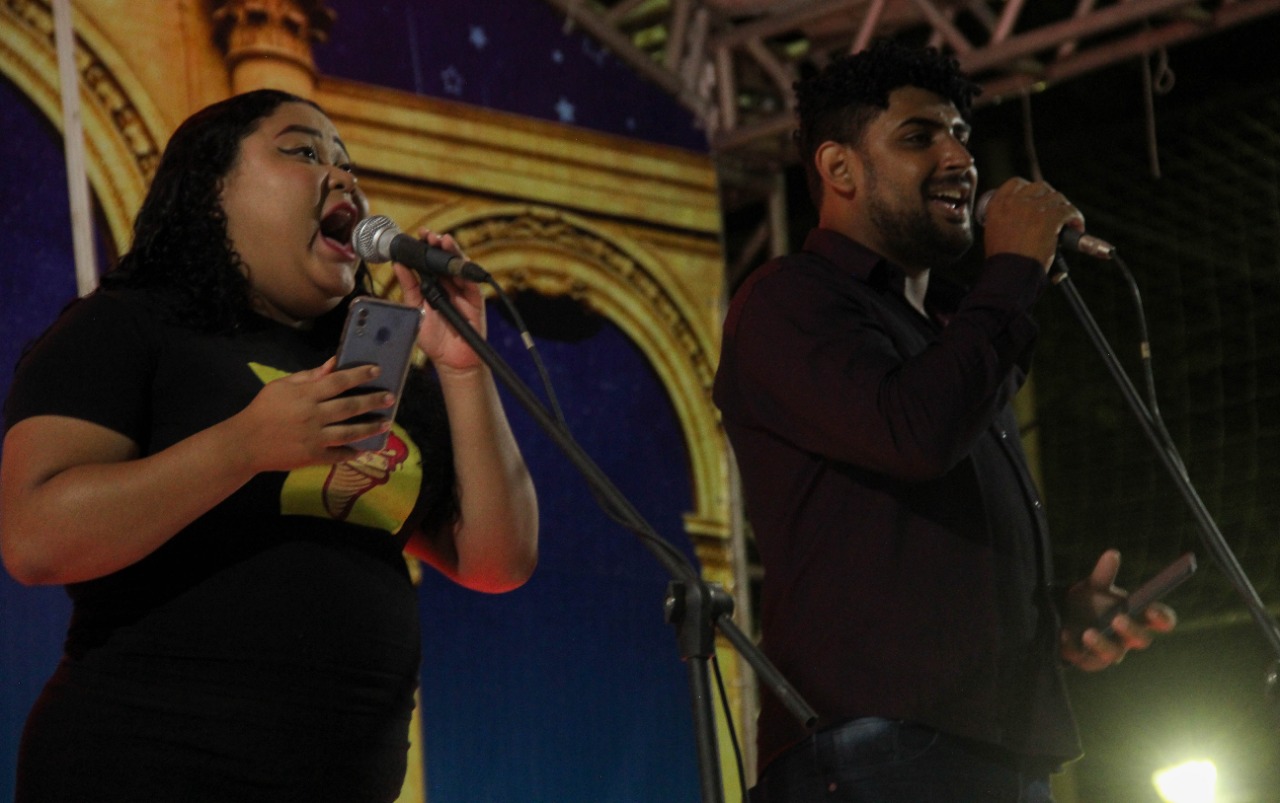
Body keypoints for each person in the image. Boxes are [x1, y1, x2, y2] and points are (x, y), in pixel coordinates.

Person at [0, 89, 538, 802]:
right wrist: (245, 446)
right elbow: (35, 537)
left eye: (348, 163)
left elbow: (498, 560)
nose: (342, 176)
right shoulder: (127, 327)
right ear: (212, 189)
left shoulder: (370, 368)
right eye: (302, 151)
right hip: (136, 771)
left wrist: (463, 368)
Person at [713, 40, 1176, 801]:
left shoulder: (952, 331)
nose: (960, 156)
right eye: (919, 136)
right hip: (873, 751)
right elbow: (912, 432)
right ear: (839, 169)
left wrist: (1055, 614)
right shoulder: (788, 300)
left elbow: (921, 546)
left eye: (960, 133)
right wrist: (1014, 270)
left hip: (995, 747)